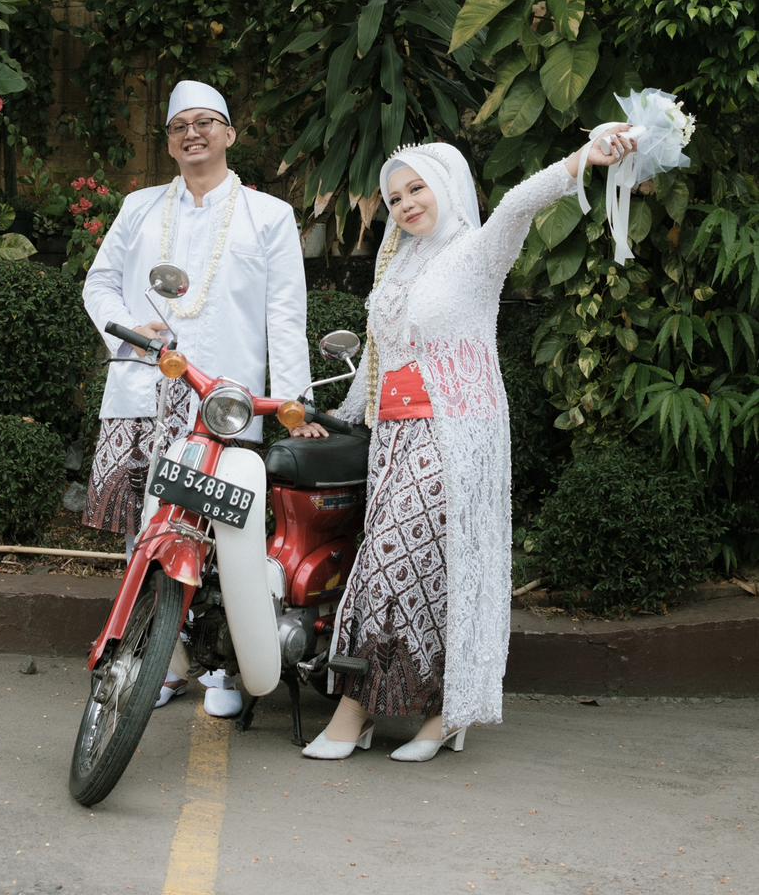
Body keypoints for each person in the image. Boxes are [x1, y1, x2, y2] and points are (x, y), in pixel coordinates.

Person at [302, 128, 637, 761]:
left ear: (447, 187)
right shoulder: (398, 265)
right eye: (395, 197)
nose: (406, 204)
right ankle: (433, 711)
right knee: (416, 569)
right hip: (394, 438)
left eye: (417, 188)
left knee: (393, 563)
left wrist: (581, 159)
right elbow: (380, 354)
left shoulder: (478, 251)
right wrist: (335, 416)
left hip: (453, 433)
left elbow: (518, 204)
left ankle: (359, 710)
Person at [82, 79, 323, 717]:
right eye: (179, 126)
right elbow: (98, 282)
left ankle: (223, 668)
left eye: (205, 122)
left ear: (229, 134)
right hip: (142, 392)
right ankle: (160, 666)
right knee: (144, 533)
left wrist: (293, 403)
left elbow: (285, 315)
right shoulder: (138, 208)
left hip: (223, 405)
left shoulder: (267, 215)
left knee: (223, 536)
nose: (192, 134)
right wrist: (128, 329)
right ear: (169, 141)